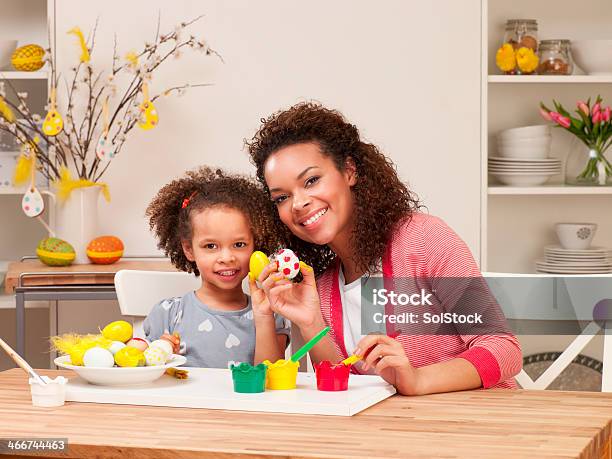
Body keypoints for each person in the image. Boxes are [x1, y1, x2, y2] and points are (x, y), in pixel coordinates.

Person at [246, 102, 522, 395]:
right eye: (281, 198)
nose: (298, 203)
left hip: (478, 426)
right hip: (392, 435)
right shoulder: (322, 287)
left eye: (312, 180)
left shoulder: (424, 239)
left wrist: (416, 380)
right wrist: (311, 322)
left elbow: (503, 349)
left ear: (350, 171)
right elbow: (346, 390)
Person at [143, 166, 290, 367]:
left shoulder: (270, 313)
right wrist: (160, 353)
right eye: (211, 246)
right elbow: (146, 373)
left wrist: (264, 317)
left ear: (256, 245)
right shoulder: (168, 314)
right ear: (189, 250)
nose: (227, 257)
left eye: (239, 245)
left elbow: (270, 379)